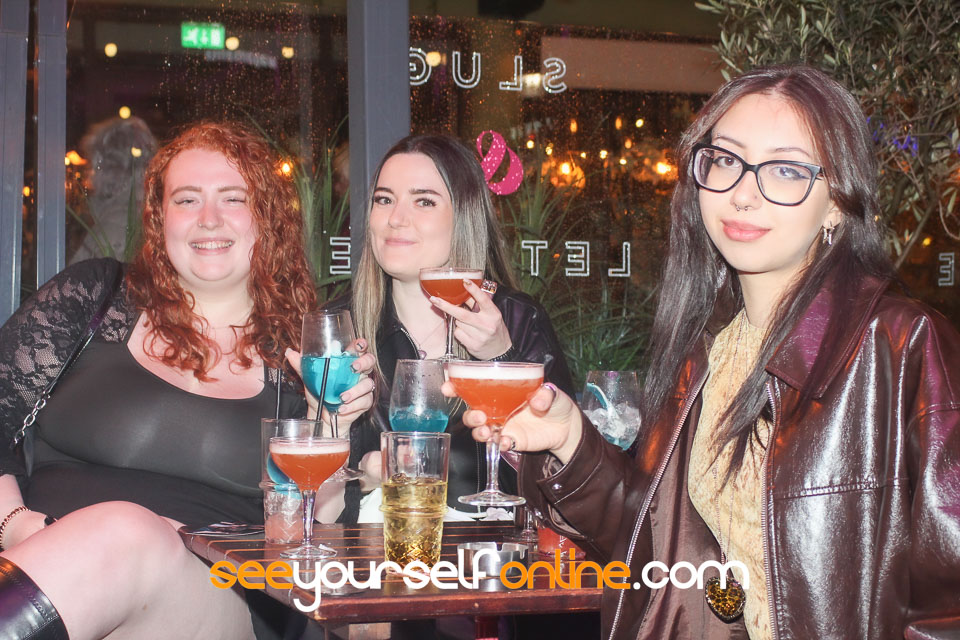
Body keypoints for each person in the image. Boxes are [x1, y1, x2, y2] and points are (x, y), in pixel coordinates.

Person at [457, 65, 960, 640]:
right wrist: (571, 441)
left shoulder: (903, 345)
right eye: (725, 160)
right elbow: (658, 551)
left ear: (837, 204)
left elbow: (948, 608)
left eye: (786, 170)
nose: (743, 193)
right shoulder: (709, 351)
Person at [0, 122, 374, 640]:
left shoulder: (302, 359)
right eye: (187, 199)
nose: (208, 218)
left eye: (233, 198)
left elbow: (315, 537)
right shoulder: (96, 297)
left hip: (220, 595)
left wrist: (328, 428)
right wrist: (17, 524)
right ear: (161, 219)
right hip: (37, 568)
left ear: (266, 217)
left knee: (127, 529)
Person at [326, 133, 575, 524]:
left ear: (464, 217)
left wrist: (501, 358)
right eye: (384, 199)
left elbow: (562, 484)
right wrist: (364, 474)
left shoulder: (517, 318)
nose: (395, 218)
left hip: (491, 555)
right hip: (374, 554)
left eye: (424, 201)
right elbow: (307, 508)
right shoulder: (339, 326)